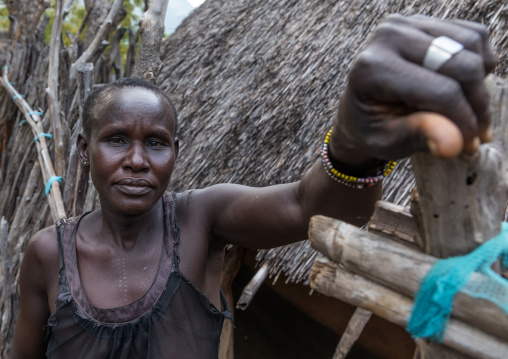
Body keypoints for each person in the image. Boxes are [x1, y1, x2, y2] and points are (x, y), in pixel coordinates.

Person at [9, 14, 496, 359]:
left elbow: (309, 206)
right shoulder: (48, 255)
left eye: (156, 143)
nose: (137, 161)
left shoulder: (201, 219)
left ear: (176, 151)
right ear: (82, 149)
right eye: (116, 140)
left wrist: (354, 149)